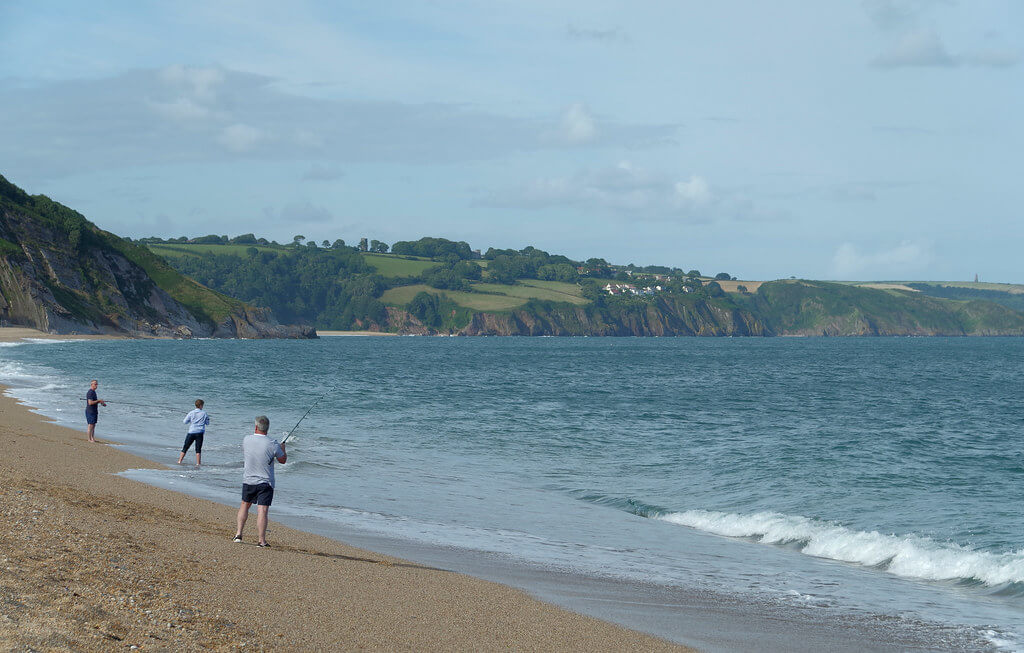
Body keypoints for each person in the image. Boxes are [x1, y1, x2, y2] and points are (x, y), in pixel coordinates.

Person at [233, 415, 286, 547]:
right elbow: (283, 460)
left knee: (244, 505)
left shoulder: (247, 439)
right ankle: (261, 541)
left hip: (249, 479)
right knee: (262, 511)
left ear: (256, 426)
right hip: (265, 482)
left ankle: (238, 534)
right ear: (267, 428)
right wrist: (283, 448)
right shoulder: (272, 443)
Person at [178, 399, 211, 466]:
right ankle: (198, 463)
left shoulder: (191, 413)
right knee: (198, 449)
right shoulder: (204, 413)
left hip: (191, 431)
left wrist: (192, 421)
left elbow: (185, 422)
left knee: (185, 447)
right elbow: (207, 423)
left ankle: (179, 461)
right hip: (200, 432)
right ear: (201, 405)